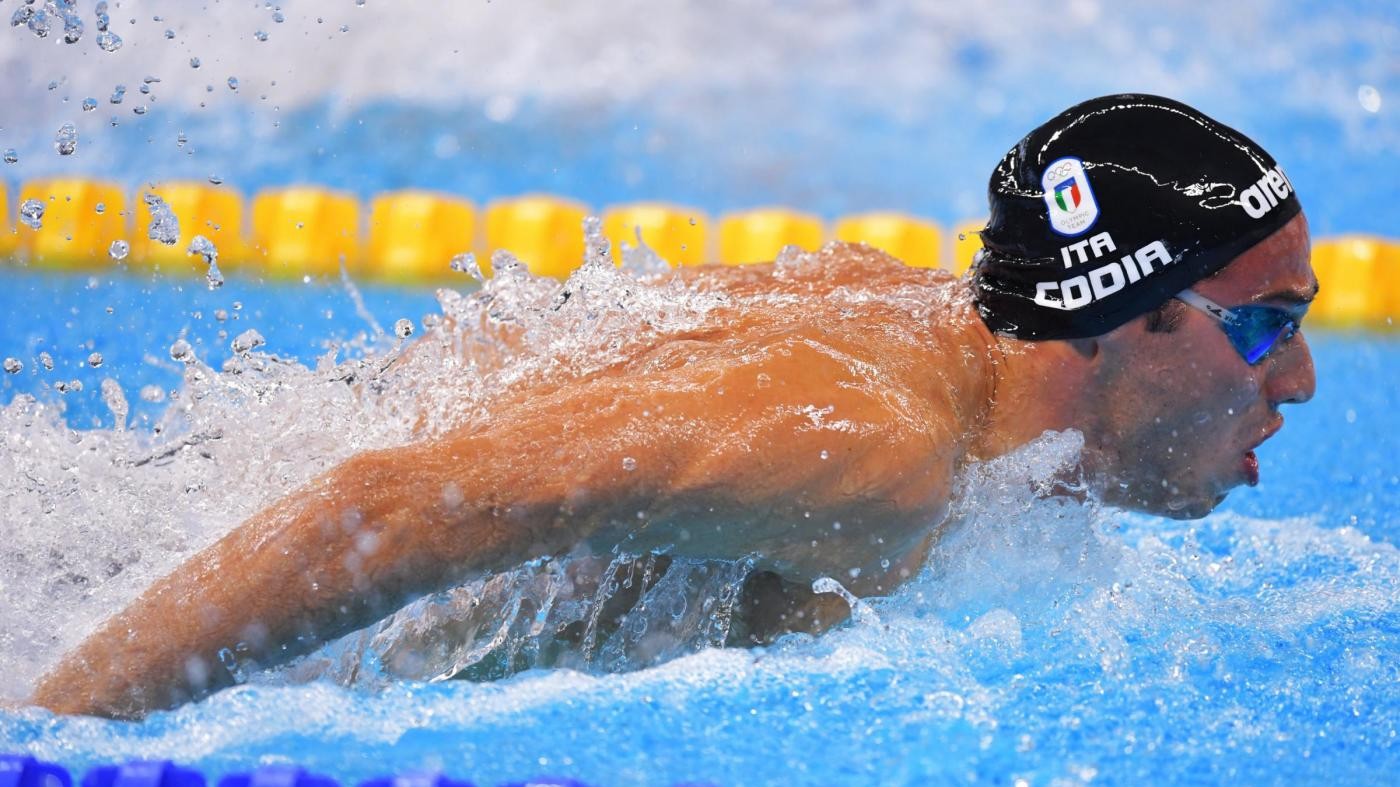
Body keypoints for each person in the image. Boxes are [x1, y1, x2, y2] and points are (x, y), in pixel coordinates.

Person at [30, 94, 1317, 719]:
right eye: (1262, 327)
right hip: (176, 621)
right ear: (1124, 317)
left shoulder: (913, 323)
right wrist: (55, 736)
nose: (1297, 382)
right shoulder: (877, 452)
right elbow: (386, 503)